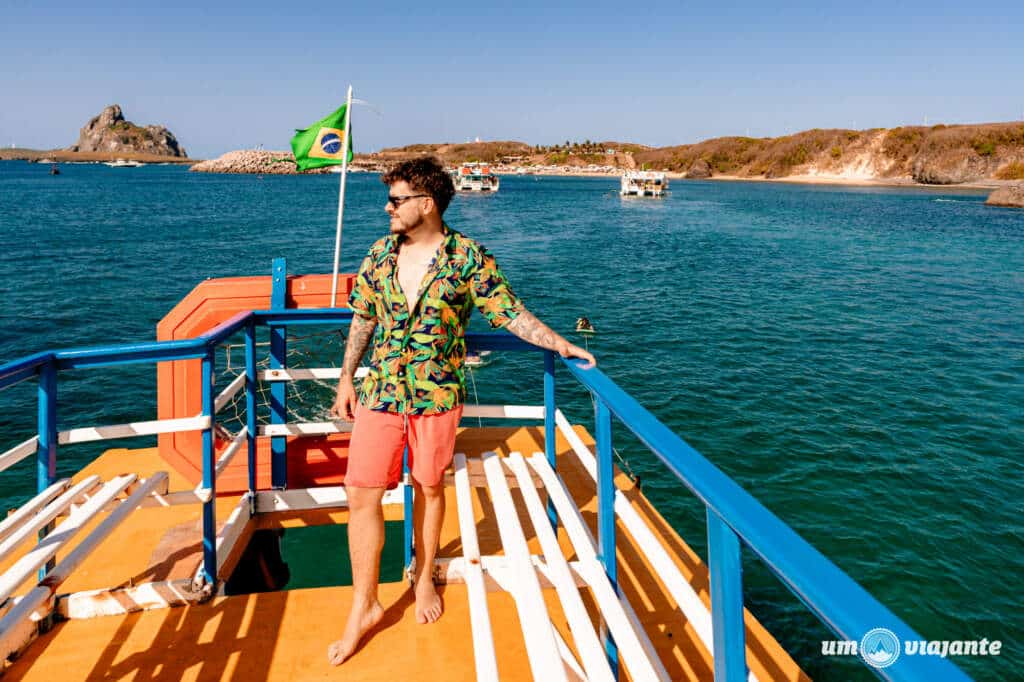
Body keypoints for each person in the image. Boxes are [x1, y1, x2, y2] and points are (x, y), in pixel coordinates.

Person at [327, 157, 595, 665]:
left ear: (425, 204)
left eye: (397, 199)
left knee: (430, 489)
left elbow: (507, 310)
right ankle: (364, 604)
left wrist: (559, 343)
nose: (387, 207)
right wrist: (346, 377)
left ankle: (424, 578)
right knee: (360, 493)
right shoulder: (379, 255)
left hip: (436, 395)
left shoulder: (467, 258)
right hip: (381, 391)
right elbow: (363, 317)